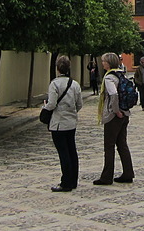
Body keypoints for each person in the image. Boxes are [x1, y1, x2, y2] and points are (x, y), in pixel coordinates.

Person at [42, 55, 84, 192]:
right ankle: (73, 180)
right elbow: (79, 104)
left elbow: (52, 103)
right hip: (71, 122)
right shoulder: (75, 84)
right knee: (72, 150)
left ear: (57, 68)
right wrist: (71, 111)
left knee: (63, 153)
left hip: (58, 123)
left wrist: (45, 108)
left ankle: (65, 182)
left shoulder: (54, 84)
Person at [94, 52, 135, 185]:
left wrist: (116, 111)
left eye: (104, 61)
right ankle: (128, 173)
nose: (102, 63)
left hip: (114, 116)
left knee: (109, 146)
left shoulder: (109, 77)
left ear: (109, 63)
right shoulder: (121, 73)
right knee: (122, 144)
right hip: (125, 114)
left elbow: (114, 94)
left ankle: (107, 176)